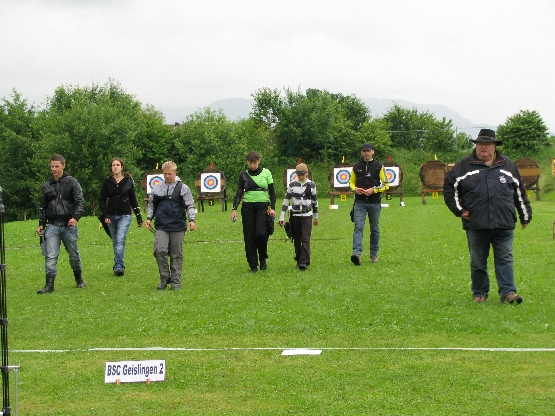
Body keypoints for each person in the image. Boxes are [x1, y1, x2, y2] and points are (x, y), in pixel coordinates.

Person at [443, 128, 532, 304]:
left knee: (505, 258)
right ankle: (479, 293)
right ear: (476, 146)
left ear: (494, 146)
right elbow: (449, 189)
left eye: (487, 144)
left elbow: (519, 191)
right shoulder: (463, 165)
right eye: (480, 144)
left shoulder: (507, 164)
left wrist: (525, 214)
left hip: (504, 222)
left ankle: (508, 293)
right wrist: (459, 210)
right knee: (478, 262)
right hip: (476, 223)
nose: (483, 147)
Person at [36, 154, 86, 293]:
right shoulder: (46, 186)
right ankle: (49, 285)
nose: (54, 169)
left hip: (69, 225)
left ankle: (79, 279)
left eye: (56, 166)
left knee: (73, 255)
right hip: (52, 225)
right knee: (50, 255)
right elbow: (43, 206)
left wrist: (75, 217)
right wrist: (41, 223)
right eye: (52, 166)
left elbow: (80, 202)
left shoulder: (72, 183)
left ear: (63, 166)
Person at [145, 161, 196, 290]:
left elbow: (190, 205)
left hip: (177, 225)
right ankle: (164, 278)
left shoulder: (183, 188)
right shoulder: (157, 188)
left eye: (170, 173)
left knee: (176, 254)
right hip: (161, 225)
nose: (167, 176)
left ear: (175, 173)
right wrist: (149, 218)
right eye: (165, 174)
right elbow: (151, 205)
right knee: (159, 250)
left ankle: (175, 282)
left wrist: (192, 219)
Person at [231, 151, 276, 273]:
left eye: (255, 163)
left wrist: (272, 207)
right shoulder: (243, 175)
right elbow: (239, 192)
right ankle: (253, 265)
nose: (252, 166)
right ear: (247, 162)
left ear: (259, 161)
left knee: (261, 233)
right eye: (250, 163)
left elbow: (272, 192)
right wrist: (234, 209)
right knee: (249, 236)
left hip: (263, 207)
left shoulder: (266, 172)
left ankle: (262, 257)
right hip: (247, 208)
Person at [99, 157, 143, 276]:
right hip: (111, 215)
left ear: (122, 167)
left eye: (117, 165)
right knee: (115, 241)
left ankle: (119, 265)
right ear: (111, 168)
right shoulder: (107, 182)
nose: (115, 167)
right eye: (113, 165)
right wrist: (105, 215)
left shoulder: (128, 181)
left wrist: (139, 217)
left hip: (125, 215)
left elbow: (133, 199)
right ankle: (118, 263)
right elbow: (102, 200)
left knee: (120, 239)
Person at [350, 142, 389, 266]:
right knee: (358, 227)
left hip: (374, 202)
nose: (366, 153)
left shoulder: (379, 166)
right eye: (364, 151)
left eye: (368, 151)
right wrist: (355, 189)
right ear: (361, 152)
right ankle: (356, 253)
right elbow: (351, 183)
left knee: (374, 229)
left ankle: (374, 254)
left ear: (373, 152)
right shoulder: (356, 166)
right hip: (360, 202)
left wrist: (374, 190)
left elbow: (386, 183)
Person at [278, 163, 319, 270]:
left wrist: (316, 216)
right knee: (296, 238)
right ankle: (299, 258)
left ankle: (304, 261)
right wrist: (282, 216)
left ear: (307, 173)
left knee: (305, 238)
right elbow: (286, 201)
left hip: (307, 215)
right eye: (299, 174)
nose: (301, 177)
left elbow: (314, 202)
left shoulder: (312, 185)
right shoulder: (291, 185)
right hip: (295, 214)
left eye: (303, 174)